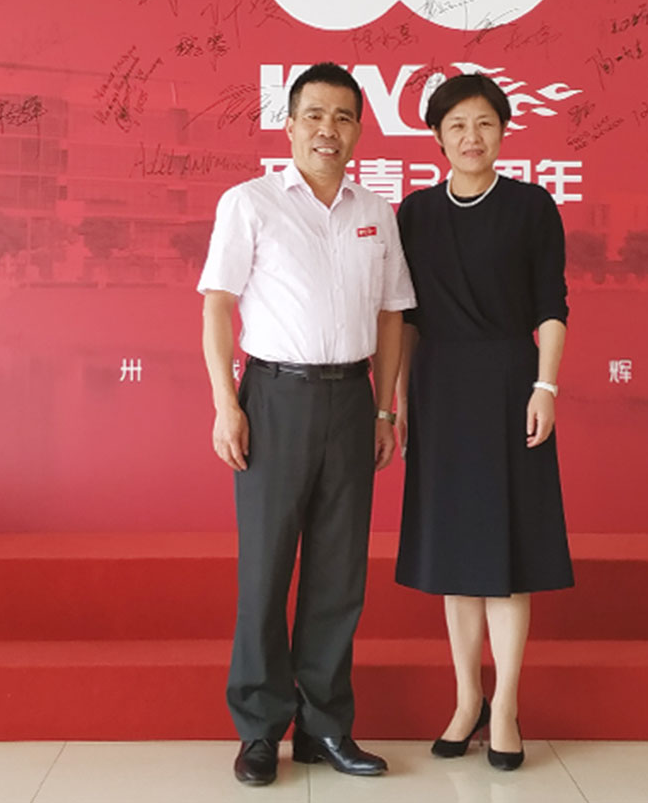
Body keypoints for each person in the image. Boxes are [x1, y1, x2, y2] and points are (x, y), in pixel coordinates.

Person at [199, 62, 415, 787]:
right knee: (266, 569)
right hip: (274, 397)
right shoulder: (250, 203)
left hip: (352, 399)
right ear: (289, 125)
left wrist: (385, 406)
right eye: (314, 115)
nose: (329, 129)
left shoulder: (375, 211)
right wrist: (226, 404)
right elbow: (217, 304)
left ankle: (325, 726)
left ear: (359, 130)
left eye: (343, 117)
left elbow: (392, 314)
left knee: (338, 572)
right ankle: (260, 730)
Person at [394, 71, 572, 772]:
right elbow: (406, 319)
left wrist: (545, 385)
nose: (472, 137)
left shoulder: (531, 205)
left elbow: (551, 304)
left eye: (484, 123)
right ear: (437, 137)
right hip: (439, 388)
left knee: (508, 556)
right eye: (457, 125)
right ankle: (467, 699)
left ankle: (505, 707)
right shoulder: (414, 213)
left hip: (509, 384)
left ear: (503, 131)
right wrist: (397, 399)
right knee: (456, 558)